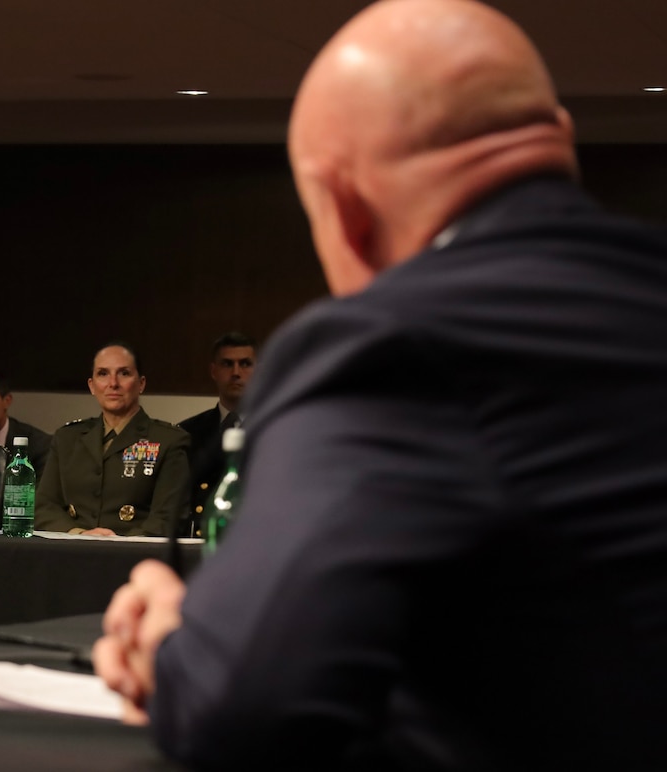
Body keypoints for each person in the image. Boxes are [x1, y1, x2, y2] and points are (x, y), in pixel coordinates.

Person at [92, 1, 667, 769]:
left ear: (344, 205)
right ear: (557, 137)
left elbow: (246, 714)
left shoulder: (385, 346)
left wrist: (169, 642)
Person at [35, 342, 189, 537]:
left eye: (124, 373)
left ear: (141, 383)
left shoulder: (168, 440)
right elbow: (43, 506)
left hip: (134, 554)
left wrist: (119, 544)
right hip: (73, 549)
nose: (113, 383)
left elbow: (169, 517)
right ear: (92, 385)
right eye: (103, 374)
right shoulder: (67, 438)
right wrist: (79, 534)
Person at [177, 331, 256, 535]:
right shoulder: (186, 432)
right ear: (214, 371)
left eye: (245, 364)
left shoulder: (274, 431)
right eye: (227, 364)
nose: (236, 372)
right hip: (199, 539)